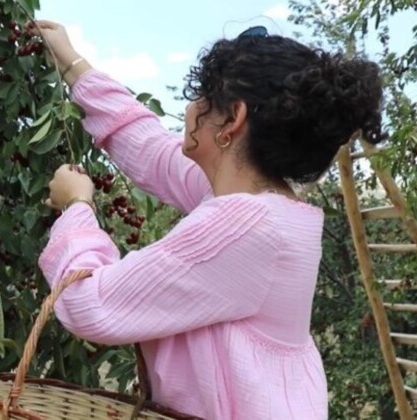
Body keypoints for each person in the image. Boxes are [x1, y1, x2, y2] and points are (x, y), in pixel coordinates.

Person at [31, 20, 385, 420]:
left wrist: (77, 206)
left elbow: (88, 304)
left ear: (232, 119)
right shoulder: (264, 205)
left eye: (202, 97)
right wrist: (71, 63)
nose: (191, 107)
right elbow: (148, 147)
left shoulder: (245, 226)